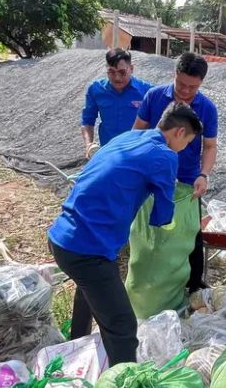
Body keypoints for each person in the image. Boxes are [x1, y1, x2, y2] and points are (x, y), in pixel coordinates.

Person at [48, 103, 202, 364]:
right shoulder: (164, 155)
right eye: (187, 142)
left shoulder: (128, 137)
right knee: (123, 327)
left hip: (62, 237)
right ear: (178, 132)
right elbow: (162, 215)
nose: (184, 148)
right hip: (88, 249)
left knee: (88, 292)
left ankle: (76, 349)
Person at [133, 52, 217, 292]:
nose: (185, 91)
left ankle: (193, 285)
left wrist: (204, 174)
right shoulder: (154, 96)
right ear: (174, 75)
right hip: (152, 175)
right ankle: (152, 279)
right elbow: (136, 132)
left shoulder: (207, 108)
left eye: (193, 87)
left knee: (190, 232)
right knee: (150, 226)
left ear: (201, 84)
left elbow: (210, 146)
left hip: (187, 180)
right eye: (181, 84)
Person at [80, 48, 151, 159]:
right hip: (108, 154)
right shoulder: (96, 89)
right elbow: (87, 121)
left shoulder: (147, 91)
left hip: (137, 154)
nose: (117, 78)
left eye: (122, 72)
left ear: (131, 68)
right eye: (111, 72)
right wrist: (89, 144)